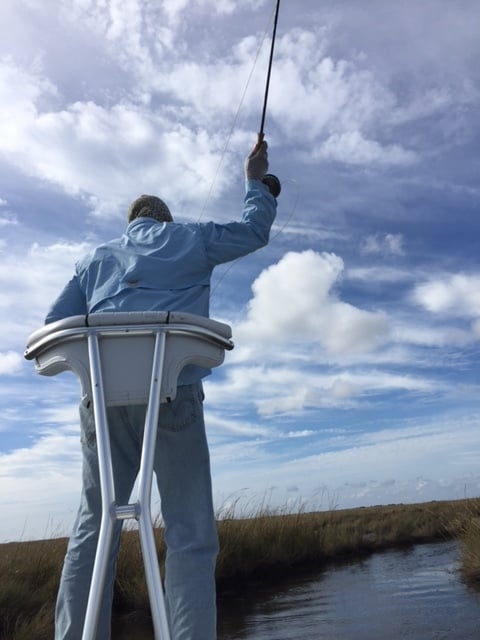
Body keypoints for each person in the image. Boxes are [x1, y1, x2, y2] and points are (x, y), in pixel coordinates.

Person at [46, 141, 277, 640]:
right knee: (190, 532)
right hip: (173, 396)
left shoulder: (94, 259)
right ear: (166, 220)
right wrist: (256, 180)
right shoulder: (189, 238)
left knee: (94, 525)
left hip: (100, 406)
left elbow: (54, 324)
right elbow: (255, 231)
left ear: (130, 222)